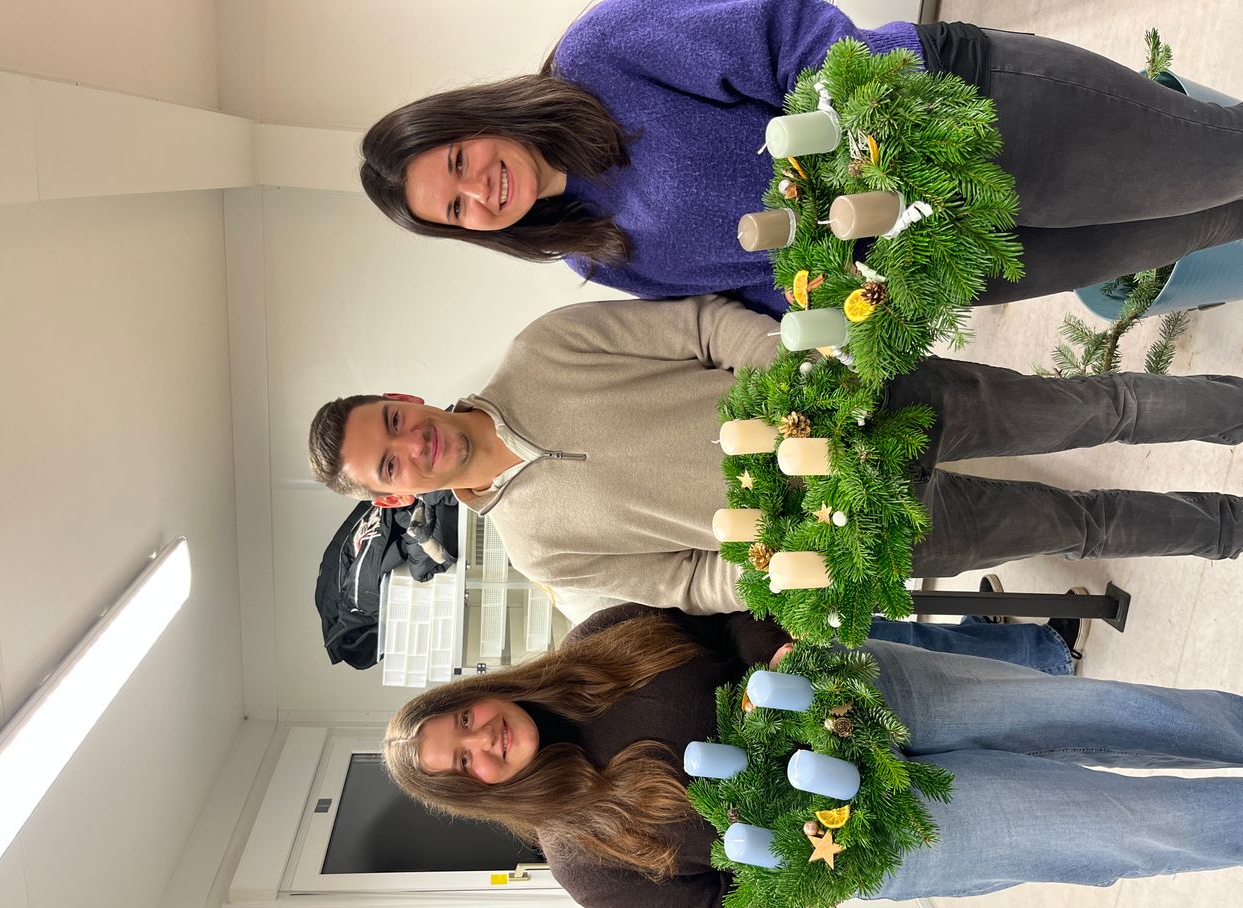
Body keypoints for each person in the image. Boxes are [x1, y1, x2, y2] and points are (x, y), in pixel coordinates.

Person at [384, 604, 1243, 908]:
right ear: (475, 792)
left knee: (1114, 711)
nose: (481, 741)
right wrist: (801, 898)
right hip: (883, 832)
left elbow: (730, 622)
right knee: (1124, 824)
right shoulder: (585, 861)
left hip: (882, 698)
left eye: (463, 719)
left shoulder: (597, 641)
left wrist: (778, 651)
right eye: (462, 765)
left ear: (476, 693)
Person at [308, 295, 1243, 615]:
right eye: (387, 466)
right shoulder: (537, 551)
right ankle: (1230, 531)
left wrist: (802, 384)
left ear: (404, 396)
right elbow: (687, 582)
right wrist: (778, 568)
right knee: (1075, 527)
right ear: (393, 501)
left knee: (1095, 407)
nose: (409, 445)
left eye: (391, 421)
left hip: (870, 405)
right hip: (850, 531)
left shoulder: (544, 347)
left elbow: (706, 327)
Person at [360, 0, 1243, 315]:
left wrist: (864, 159)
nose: (480, 190)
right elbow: (756, 288)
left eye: (460, 161)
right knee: (1196, 226)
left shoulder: (604, 52)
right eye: (456, 208)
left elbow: (793, 33)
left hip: (964, 116)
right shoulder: (597, 256)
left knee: (1223, 163)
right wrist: (835, 308)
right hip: (944, 259)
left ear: (469, 118)